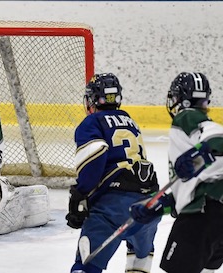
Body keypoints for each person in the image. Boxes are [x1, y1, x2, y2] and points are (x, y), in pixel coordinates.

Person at [66, 73, 161, 273]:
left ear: (91, 100)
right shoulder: (130, 121)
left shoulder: (92, 122)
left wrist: (81, 192)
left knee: (86, 265)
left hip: (113, 206)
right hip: (148, 204)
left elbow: (96, 154)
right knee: (139, 257)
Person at [130, 72, 223, 273]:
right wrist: (159, 206)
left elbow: (218, 138)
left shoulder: (186, 117)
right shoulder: (196, 138)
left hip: (200, 217)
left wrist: (197, 158)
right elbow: (193, 187)